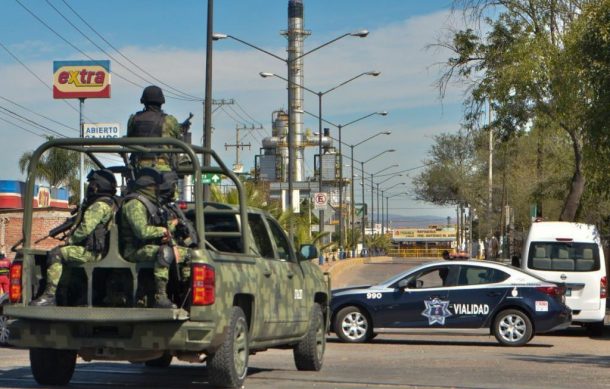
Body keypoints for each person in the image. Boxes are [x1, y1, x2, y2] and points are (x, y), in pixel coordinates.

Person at [30, 170, 118, 306]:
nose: (90, 187)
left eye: (92, 184)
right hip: (101, 251)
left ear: (97, 186)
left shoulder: (99, 205)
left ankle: (49, 296)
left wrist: (69, 240)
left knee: (56, 254)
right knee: (67, 257)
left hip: (93, 253)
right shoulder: (110, 203)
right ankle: (63, 295)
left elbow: (85, 229)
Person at [119, 168, 188, 309]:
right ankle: (160, 297)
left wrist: (171, 226)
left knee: (189, 254)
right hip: (133, 250)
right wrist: (162, 231)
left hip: (146, 246)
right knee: (164, 253)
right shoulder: (134, 204)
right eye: (154, 187)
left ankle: (184, 292)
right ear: (147, 188)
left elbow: (154, 225)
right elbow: (142, 232)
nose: (157, 190)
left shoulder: (149, 204)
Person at [127, 85, 182, 171]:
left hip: (138, 169)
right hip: (163, 170)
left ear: (144, 101)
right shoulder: (170, 121)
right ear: (161, 102)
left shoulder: (133, 119)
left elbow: (129, 140)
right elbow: (179, 141)